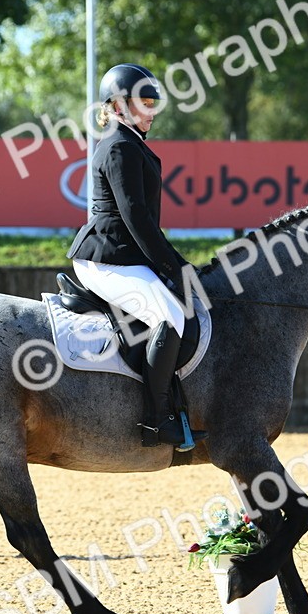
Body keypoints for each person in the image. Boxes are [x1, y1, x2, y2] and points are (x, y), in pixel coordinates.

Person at [67, 63, 205, 449]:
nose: (151, 111)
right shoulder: (119, 146)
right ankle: (156, 421)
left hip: (123, 255)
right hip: (106, 257)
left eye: (153, 102)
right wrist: (173, 267)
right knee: (170, 316)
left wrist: (176, 264)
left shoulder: (129, 143)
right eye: (143, 102)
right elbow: (137, 219)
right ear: (116, 105)